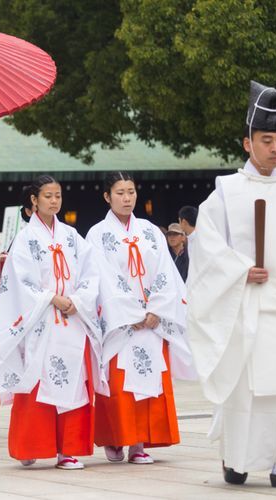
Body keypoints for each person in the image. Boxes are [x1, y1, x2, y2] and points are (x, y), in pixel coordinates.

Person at [187, 81, 276, 489]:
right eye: (265, 140)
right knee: (253, 393)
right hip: (250, 307)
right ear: (247, 143)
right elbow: (207, 250)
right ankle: (240, 459)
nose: (274, 148)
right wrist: (238, 271)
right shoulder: (226, 192)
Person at [0, 175, 139, 470]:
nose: (54, 201)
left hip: (72, 319)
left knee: (73, 385)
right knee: (37, 384)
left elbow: (91, 274)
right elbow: (20, 283)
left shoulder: (71, 236)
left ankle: (67, 450)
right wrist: (52, 298)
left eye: (57, 196)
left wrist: (78, 300)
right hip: (42, 321)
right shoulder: (26, 239)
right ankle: (31, 445)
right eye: (47, 196)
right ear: (34, 200)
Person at [86, 172, 194, 465]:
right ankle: (116, 438)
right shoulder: (97, 234)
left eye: (131, 192)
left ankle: (139, 442)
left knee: (150, 380)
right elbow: (102, 278)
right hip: (121, 321)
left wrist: (156, 310)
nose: (126, 198)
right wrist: (130, 313)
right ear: (107, 197)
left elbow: (166, 272)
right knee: (120, 384)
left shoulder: (150, 231)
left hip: (152, 319)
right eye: (120, 192)